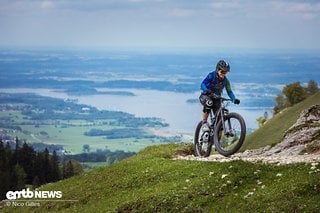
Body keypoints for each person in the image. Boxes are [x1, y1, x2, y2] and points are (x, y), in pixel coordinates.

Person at [199, 60, 240, 130]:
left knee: (220, 123)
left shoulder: (226, 81)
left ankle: (217, 138)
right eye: (222, 71)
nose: (224, 74)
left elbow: (229, 91)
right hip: (206, 96)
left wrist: (234, 99)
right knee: (209, 103)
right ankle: (204, 122)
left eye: (226, 72)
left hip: (217, 98)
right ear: (217, 70)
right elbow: (202, 84)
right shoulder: (211, 75)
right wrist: (206, 90)